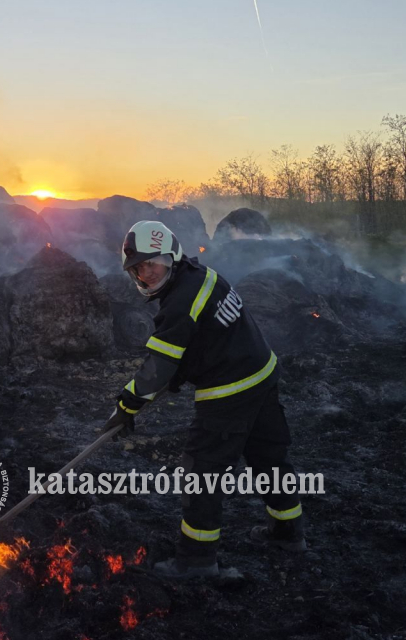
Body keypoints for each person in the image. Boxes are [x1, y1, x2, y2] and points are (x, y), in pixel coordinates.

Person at [103, 220, 306, 579]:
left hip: (230, 392)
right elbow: (201, 339)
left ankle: (196, 562)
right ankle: (288, 533)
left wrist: (126, 406)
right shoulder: (201, 275)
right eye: (139, 269)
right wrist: (181, 371)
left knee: (201, 475)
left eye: (153, 263)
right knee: (269, 460)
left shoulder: (180, 300)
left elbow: (160, 366)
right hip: (261, 375)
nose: (148, 274)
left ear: (172, 256)